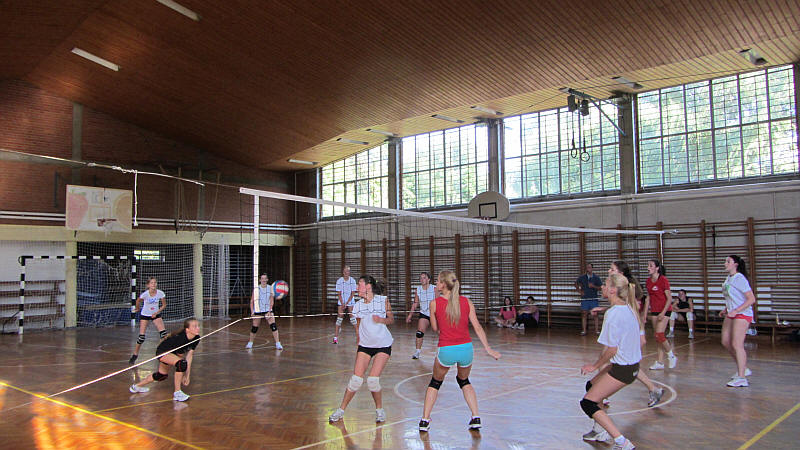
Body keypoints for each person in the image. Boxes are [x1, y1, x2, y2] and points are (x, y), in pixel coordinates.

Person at [418, 270, 501, 432]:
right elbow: (477, 327)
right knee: (464, 381)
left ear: (443, 284)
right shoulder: (466, 301)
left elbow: (435, 328)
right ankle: (475, 417)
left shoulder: (434, 303)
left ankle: (425, 420)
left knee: (435, 383)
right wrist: (488, 349)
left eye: (438, 281)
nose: (436, 284)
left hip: (447, 349)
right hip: (466, 350)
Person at [579, 273, 641, 450]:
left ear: (613, 290)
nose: (602, 287)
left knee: (588, 403)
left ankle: (622, 442)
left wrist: (594, 366)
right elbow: (617, 312)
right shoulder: (628, 307)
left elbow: (611, 350)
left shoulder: (613, 314)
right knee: (591, 386)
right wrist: (603, 309)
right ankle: (600, 431)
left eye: (605, 285)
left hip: (623, 369)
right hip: (630, 366)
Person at [328, 275, 394, 423]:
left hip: (383, 345)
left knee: (372, 381)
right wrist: (359, 339)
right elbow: (358, 325)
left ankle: (380, 410)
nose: (357, 287)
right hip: (365, 345)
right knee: (355, 380)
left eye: (359, 284)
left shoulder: (383, 300)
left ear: (368, 286)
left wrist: (381, 320)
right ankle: (341, 410)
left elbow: (391, 319)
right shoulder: (357, 305)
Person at [608, 260, 664, 407]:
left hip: (630, 327)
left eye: (612, 269)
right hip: (630, 327)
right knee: (624, 362)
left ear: (620, 273)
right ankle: (654, 389)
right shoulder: (622, 289)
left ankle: (600, 394)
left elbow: (629, 309)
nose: (609, 271)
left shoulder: (627, 289)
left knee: (613, 358)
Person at [129, 318, 200, 402]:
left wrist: (187, 376)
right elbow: (180, 358)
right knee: (181, 364)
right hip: (163, 351)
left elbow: (189, 356)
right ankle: (177, 393)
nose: (198, 328)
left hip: (171, 354)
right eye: (195, 326)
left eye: (198, 326)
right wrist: (182, 374)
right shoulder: (181, 338)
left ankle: (136, 386)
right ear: (187, 329)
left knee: (161, 375)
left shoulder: (196, 338)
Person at [721, 255, 756, 387]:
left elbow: (751, 299)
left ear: (735, 264)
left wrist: (736, 310)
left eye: (728, 261)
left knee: (737, 344)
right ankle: (743, 368)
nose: (725, 263)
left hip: (742, 313)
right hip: (731, 312)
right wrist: (726, 309)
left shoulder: (740, 278)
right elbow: (733, 297)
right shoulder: (728, 279)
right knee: (725, 341)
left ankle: (742, 378)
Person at [644, 259, 677, 370]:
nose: (648, 268)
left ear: (657, 268)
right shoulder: (648, 281)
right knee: (657, 337)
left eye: (651, 266)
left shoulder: (663, 280)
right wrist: (645, 314)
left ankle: (671, 355)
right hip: (654, 310)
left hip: (665, 310)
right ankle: (660, 362)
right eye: (648, 266)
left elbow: (669, 299)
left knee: (660, 334)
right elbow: (648, 298)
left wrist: (663, 313)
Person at [129, 277, 167, 364]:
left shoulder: (160, 293)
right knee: (141, 338)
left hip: (155, 314)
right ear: (148, 285)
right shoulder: (145, 294)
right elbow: (138, 301)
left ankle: (160, 352)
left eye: (155, 283)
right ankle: (135, 355)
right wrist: (138, 308)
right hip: (145, 314)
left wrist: (157, 312)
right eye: (152, 283)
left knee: (163, 334)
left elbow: (164, 305)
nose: (154, 284)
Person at [245, 274, 283, 350]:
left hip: (267, 310)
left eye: (265, 278)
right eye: (262, 278)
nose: (264, 280)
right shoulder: (256, 289)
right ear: (260, 280)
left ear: (267, 280)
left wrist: (269, 311)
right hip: (258, 310)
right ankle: (250, 343)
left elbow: (271, 300)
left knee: (273, 326)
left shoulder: (270, 288)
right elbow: (252, 301)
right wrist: (252, 312)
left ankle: (278, 343)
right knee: (254, 328)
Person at [406, 272, 436, 359]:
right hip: (424, 313)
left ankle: (444, 350)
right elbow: (415, 303)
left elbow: (439, 301)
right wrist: (410, 315)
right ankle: (417, 352)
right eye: (421, 278)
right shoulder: (418, 289)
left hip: (434, 314)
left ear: (429, 279)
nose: (422, 279)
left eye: (424, 278)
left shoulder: (434, 288)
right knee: (419, 333)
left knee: (441, 332)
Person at [333, 266, 358, 344]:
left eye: (347, 271)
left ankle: (358, 336)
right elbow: (339, 294)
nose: (346, 273)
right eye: (345, 271)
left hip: (350, 301)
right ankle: (335, 337)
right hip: (341, 301)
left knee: (352, 317)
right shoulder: (339, 281)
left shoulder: (352, 281)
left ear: (349, 272)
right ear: (343, 272)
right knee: (340, 317)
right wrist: (342, 303)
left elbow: (353, 293)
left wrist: (347, 303)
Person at [576, 263, 602, 335]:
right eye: (587, 267)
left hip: (594, 299)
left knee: (595, 314)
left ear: (592, 268)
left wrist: (593, 286)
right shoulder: (582, 277)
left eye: (590, 267)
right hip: (585, 299)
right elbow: (576, 283)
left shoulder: (596, 277)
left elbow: (600, 288)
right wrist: (580, 291)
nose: (588, 269)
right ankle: (584, 331)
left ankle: (597, 330)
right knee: (584, 314)